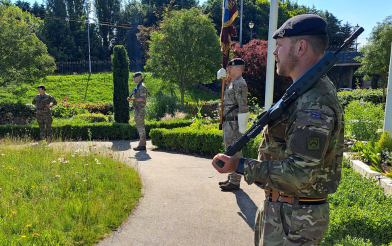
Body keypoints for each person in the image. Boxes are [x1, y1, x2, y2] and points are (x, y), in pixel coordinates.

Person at [212, 14, 344, 245]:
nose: (274, 52)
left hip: (295, 218)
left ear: (300, 47)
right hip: (285, 211)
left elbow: (299, 175)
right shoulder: (303, 92)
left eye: (280, 46)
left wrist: (239, 165)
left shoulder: (314, 101)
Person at [216, 58, 250, 191]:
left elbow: (243, 105)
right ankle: (232, 177)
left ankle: (235, 181)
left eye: (231, 68)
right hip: (228, 122)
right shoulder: (232, 82)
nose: (228, 70)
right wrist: (221, 77)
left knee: (235, 151)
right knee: (229, 151)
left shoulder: (240, 83)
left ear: (239, 69)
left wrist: (242, 126)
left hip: (234, 123)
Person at [127, 72, 147, 151]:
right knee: (140, 127)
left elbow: (143, 99)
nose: (134, 79)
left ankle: (142, 145)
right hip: (138, 109)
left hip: (140, 109)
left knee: (141, 127)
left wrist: (132, 99)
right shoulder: (138, 87)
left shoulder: (142, 87)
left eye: (135, 77)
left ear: (139, 77)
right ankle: (142, 144)